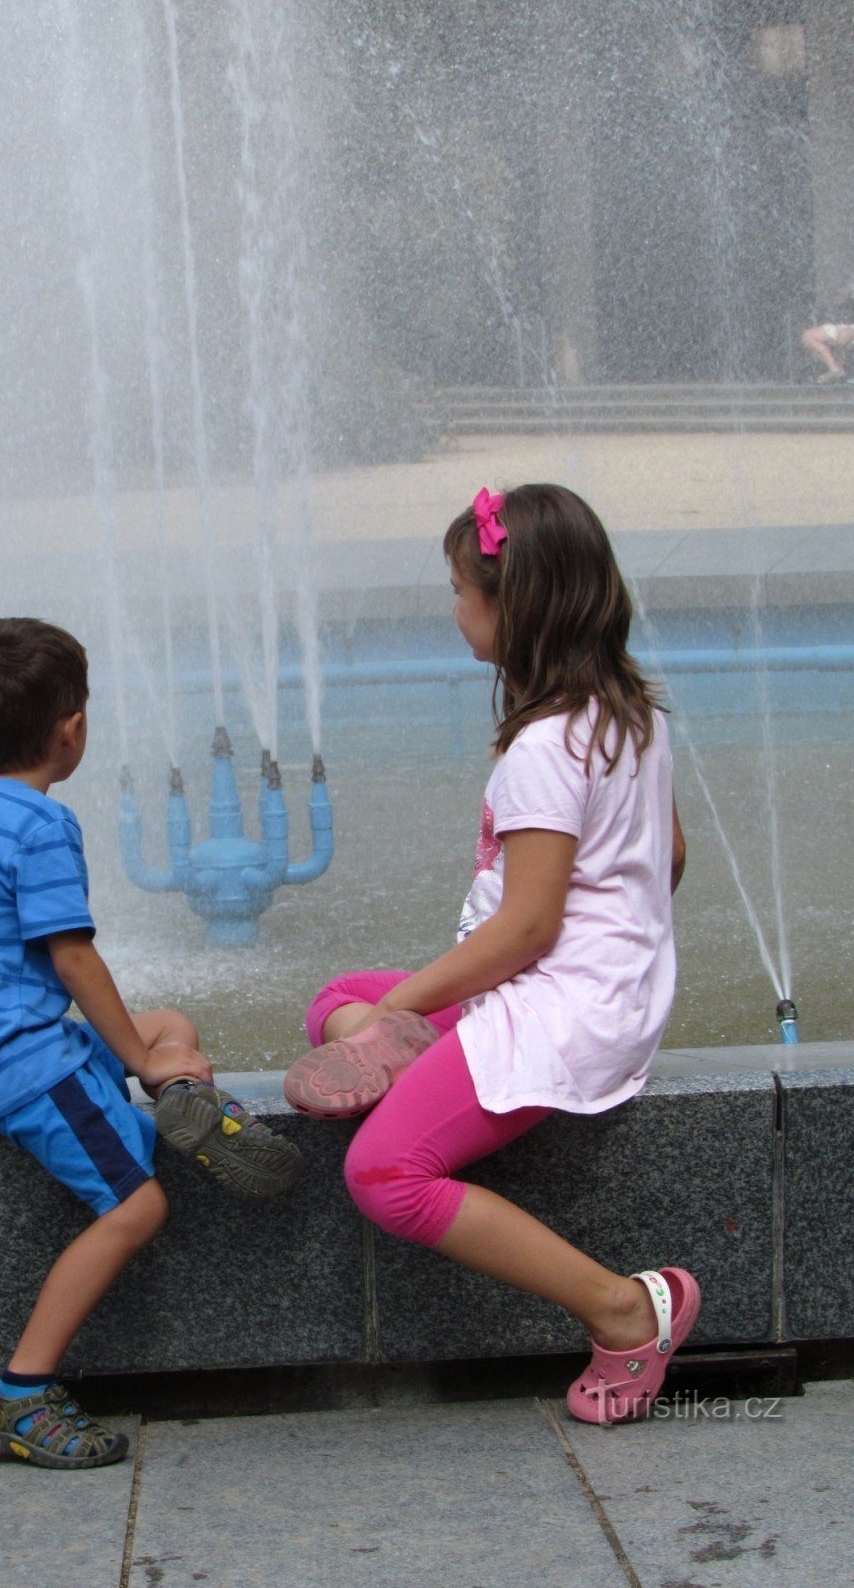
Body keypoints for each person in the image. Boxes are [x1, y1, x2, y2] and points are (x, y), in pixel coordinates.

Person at [285, 484, 694, 1426]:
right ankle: (421, 1055)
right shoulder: (629, 713)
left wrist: (409, 1010)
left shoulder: (543, 750)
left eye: (462, 589)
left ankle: (627, 1311)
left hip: (552, 1007)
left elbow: (526, 929)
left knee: (383, 1173)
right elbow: (664, 858)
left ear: (517, 606)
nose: (454, 607)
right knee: (335, 997)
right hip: (603, 995)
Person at [0, 617, 301, 1470]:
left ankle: (183, 1098)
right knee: (139, 1205)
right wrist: (130, 1057)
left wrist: (145, 1046)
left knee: (170, 1028)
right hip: (21, 1066)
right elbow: (74, 953)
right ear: (73, 729)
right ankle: (20, 1390)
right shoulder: (40, 824)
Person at [800, 246, 854, 382]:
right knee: (808, 337)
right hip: (846, 324)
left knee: (822, 336)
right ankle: (834, 367)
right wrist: (848, 287)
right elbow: (836, 302)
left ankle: (847, 365)